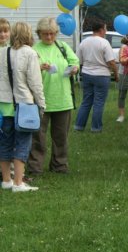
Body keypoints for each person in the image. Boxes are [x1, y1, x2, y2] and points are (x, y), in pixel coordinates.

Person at [28, 17, 79, 175]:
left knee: (61, 137)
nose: (49, 37)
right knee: (38, 137)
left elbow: (74, 61)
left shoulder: (62, 46)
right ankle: (35, 167)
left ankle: (60, 165)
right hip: (40, 100)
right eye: (45, 34)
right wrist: (39, 67)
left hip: (63, 99)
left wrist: (74, 68)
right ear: (39, 34)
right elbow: (26, 71)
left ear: (56, 33)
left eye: (52, 34)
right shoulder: (34, 50)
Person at [0, 22, 46, 192]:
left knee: (4, 142)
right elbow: (35, 83)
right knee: (22, 143)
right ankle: (19, 182)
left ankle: (6, 180)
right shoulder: (30, 53)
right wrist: (41, 104)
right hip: (23, 105)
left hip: (4, 106)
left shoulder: (2, 52)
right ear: (28, 34)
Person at [74, 20, 118, 133]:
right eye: (105, 29)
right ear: (101, 30)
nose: (106, 32)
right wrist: (116, 74)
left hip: (87, 73)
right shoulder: (104, 43)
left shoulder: (83, 42)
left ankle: (79, 126)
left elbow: (79, 60)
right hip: (102, 74)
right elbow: (111, 62)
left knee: (86, 101)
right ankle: (96, 128)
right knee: (98, 102)